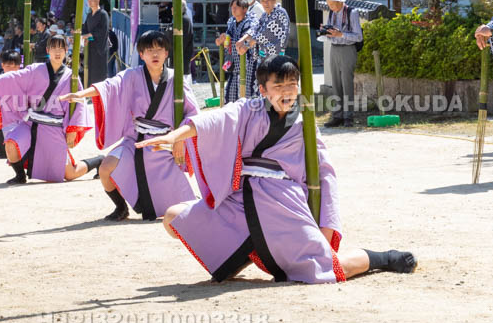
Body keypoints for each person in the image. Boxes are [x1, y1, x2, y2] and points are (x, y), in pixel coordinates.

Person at [138, 55, 417, 284]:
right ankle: (245, 251)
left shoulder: (305, 122)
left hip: (281, 204)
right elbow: (214, 121)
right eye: (278, 85)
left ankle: (383, 258)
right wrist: (174, 136)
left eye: (292, 84)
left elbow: (325, 173)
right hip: (240, 202)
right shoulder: (248, 109)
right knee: (173, 218)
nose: (286, 91)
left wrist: (326, 228)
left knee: (327, 269)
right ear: (263, 89)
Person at [59, 29, 202, 222]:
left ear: (167, 53)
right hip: (135, 139)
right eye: (149, 50)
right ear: (141, 54)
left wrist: (179, 140)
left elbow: (193, 114)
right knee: (105, 168)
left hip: (164, 142)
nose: (155, 54)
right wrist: (80, 95)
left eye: (159, 49)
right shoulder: (132, 76)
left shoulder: (177, 80)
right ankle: (120, 208)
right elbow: (109, 86)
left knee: (181, 207)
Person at [0, 32, 98, 186]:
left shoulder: (71, 77)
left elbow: (78, 103)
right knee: (11, 142)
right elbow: (15, 78)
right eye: (54, 48)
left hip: (54, 128)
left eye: (61, 48)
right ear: (48, 50)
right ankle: (20, 175)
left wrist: (72, 129)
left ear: (66, 50)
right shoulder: (35, 69)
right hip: (30, 124)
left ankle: (99, 161)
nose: (57, 52)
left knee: (69, 174)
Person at [321, 0, 363, 128]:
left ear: (339, 2)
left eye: (331, 4)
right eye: (328, 3)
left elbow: (358, 37)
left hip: (347, 49)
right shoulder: (331, 12)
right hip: (334, 49)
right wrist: (325, 32)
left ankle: (348, 117)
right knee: (336, 84)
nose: (330, 6)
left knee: (347, 83)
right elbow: (332, 34)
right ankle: (337, 116)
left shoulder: (352, 13)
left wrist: (341, 35)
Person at [237, 0, 290, 92]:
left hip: (275, 58)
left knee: (273, 87)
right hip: (263, 57)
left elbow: (265, 33)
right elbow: (256, 27)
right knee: (263, 87)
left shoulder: (279, 13)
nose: (266, 3)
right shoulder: (265, 14)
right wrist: (243, 39)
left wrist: (247, 45)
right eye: (263, 0)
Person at [217, 0, 255, 102]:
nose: (233, 9)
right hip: (234, 64)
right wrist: (222, 39)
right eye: (232, 7)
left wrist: (239, 41)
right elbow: (227, 38)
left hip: (247, 65)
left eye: (236, 7)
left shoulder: (250, 22)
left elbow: (250, 37)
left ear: (245, 9)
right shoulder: (232, 22)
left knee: (246, 97)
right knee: (230, 96)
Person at [81, 0, 110, 83]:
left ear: (98, 0)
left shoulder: (103, 14)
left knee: (99, 76)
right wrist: (85, 37)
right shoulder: (89, 15)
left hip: (99, 49)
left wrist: (89, 35)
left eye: (92, 0)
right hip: (90, 48)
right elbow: (85, 29)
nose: (89, 2)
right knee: (90, 74)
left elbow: (102, 31)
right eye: (88, 0)